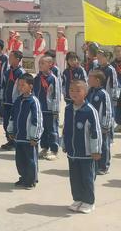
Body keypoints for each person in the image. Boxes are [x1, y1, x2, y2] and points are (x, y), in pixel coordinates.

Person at [62, 79, 102, 214]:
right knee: (75, 177)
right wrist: (64, 143)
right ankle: (78, 199)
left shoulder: (90, 111)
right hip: (72, 152)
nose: (74, 93)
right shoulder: (68, 109)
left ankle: (89, 201)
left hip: (86, 152)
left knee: (87, 177)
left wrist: (96, 150)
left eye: (78, 90)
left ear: (85, 92)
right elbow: (66, 129)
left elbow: (96, 131)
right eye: (71, 90)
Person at [8, 74, 43, 189]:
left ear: (31, 86)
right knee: (20, 160)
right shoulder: (18, 100)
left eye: (23, 85)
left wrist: (35, 137)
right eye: (19, 85)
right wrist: (11, 130)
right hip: (19, 136)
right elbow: (13, 116)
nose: (20, 87)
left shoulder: (34, 102)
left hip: (29, 138)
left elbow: (36, 120)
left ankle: (31, 179)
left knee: (30, 159)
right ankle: (23, 177)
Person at [34, 56, 60, 160]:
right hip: (40, 108)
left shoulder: (53, 78)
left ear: (50, 65)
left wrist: (55, 109)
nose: (40, 65)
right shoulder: (37, 78)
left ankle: (54, 150)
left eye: (43, 63)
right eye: (39, 63)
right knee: (42, 129)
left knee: (52, 130)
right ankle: (44, 147)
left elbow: (56, 95)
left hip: (50, 109)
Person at [87, 70, 112, 175]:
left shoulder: (103, 94)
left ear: (97, 80)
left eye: (90, 78)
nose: (88, 80)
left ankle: (104, 166)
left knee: (103, 145)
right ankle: (94, 164)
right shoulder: (90, 92)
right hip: (92, 125)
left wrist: (105, 126)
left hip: (102, 126)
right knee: (93, 144)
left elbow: (107, 111)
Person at [0, 50, 25, 150]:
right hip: (7, 101)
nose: (9, 59)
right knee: (6, 122)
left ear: (18, 60)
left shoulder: (21, 72)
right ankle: (9, 140)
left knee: (14, 122)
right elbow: (3, 85)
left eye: (11, 57)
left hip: (16, 102)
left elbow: (22, 87)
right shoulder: (7, 72)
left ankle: (15, 141)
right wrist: (2, 98)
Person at [96, 49, 119, 117]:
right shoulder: (97, 69)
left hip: (107, 97)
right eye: (98, 58)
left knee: (107, 115)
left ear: (107, 57)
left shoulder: (110, 70)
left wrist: (114, 100)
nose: (99, 59)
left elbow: (114, 85)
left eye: (101, 57)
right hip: (98, 96)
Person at [111, 46, 121, 131]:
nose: (118, 53)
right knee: (117, 106)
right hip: (117, 88)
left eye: (119, 51)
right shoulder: (112, 64)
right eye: (116, 51)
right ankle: (119, 124)